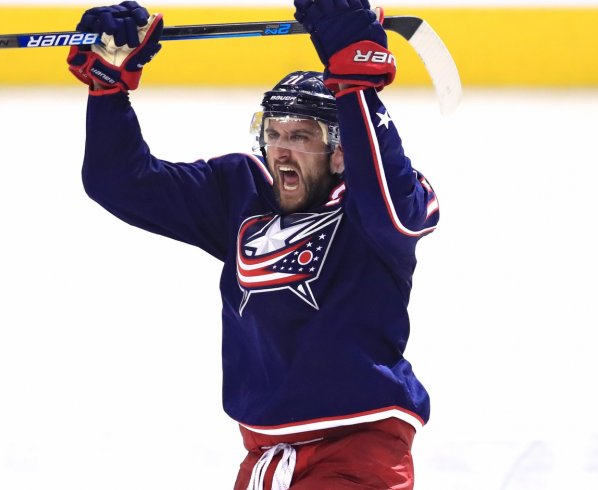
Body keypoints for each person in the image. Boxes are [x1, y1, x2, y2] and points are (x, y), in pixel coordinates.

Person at [67, 1, 440, 488]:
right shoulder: (240, 192)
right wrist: (107, 88)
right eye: (274, 133)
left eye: (302, 136)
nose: (281, 149)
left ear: (342, 152)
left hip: (357, 455)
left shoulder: (374, 212)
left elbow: (390, 201)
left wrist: (358, 81)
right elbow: (117, 181)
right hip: (263, 460)